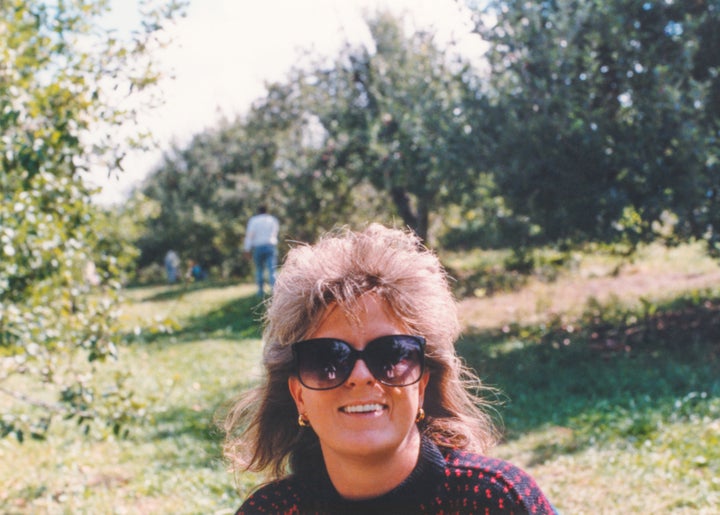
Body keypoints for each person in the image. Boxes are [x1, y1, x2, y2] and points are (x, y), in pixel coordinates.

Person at [223, 224, 558, 514]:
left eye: (390, 355)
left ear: (422, 383)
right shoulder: (270, 511)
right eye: (327, 360)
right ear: (299, 397)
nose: (361, 376)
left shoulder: (496, 501)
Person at [243, 205, 279, 296]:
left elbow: (250, 236)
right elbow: (275, 233)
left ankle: (260, 291)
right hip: (270, 246)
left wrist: (247, 249)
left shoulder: (254, 221)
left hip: (258, 247)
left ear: (258, 211)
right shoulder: (272, 220)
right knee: (272, 269)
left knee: (259, 269)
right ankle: (275, 290)